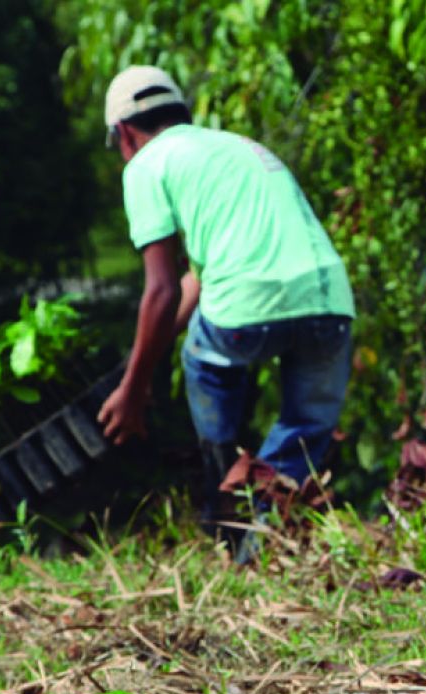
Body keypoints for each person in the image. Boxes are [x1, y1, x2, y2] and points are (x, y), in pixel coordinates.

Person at [96, 66, 355, 540]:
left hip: (244, 309)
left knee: (203, 357)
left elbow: (162, 289)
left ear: (125, 134)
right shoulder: (236, 146)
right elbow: (199, 276)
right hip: (330, 302)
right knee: (306, 426)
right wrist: (142, 354)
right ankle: (265, 535)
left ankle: (222, 480)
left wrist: (133, 388)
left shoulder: (146, 164)